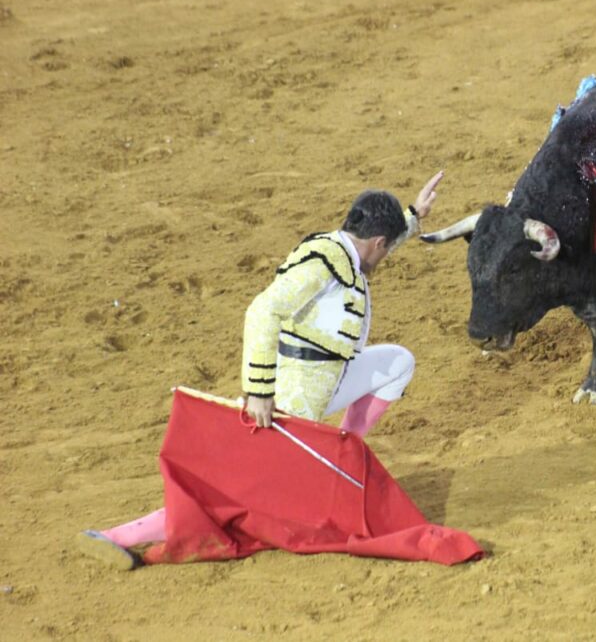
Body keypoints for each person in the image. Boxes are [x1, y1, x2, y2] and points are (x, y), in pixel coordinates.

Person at [76, 171, 445, 570]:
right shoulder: (323, 265)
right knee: (239, 491)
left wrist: (412, 217)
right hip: (294, 393)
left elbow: (375, 248)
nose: (384, 256)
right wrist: (260, 390)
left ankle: (338, 455)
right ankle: (118, 536)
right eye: (386, 247)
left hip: (331, 375)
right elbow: (262, 311)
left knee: (397, 362)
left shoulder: (341, 250)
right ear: (377, 242)